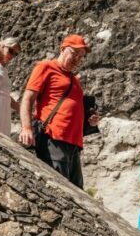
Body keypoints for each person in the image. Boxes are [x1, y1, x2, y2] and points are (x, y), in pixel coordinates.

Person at [18, 34, 100, 188]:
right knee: (59, 189)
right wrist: (26, 128)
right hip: (54, 138)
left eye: (81, 56)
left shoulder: (74, 79)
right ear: (62, 49)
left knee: (76, 193)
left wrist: (91, 120)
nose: (77, 59)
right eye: (74, 53)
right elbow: (27, 99)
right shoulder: (46, 67)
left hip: (74, 144)